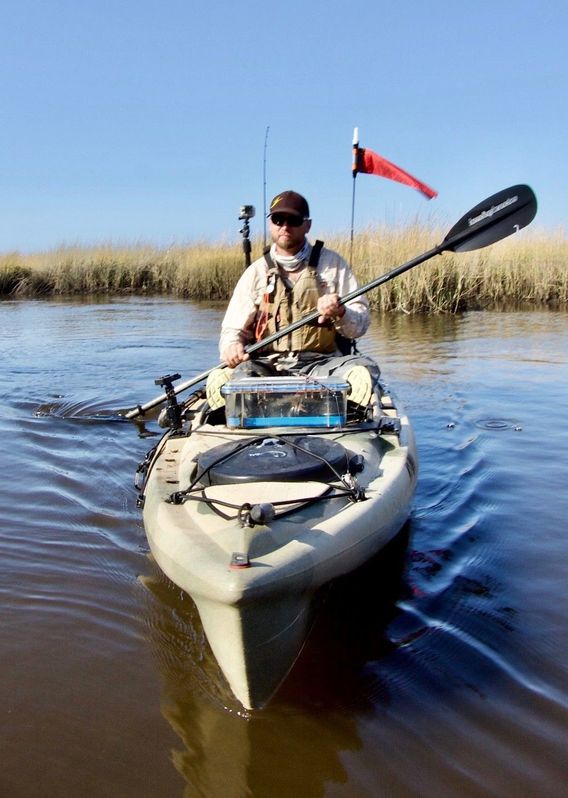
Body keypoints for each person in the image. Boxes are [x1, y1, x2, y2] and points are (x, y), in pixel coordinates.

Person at [206, 190, 377, 410]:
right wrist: (232, 347)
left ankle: (347, 419)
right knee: (230, 377)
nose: (285, 226)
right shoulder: (256, 272)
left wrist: (341, 311)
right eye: (278, 219)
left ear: (307, 225)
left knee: (364, 371)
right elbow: (232, 331)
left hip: (323, 364)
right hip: (268, 366)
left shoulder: (333, 265)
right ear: (270, 224)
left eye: (294, 220)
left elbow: (359, 326)